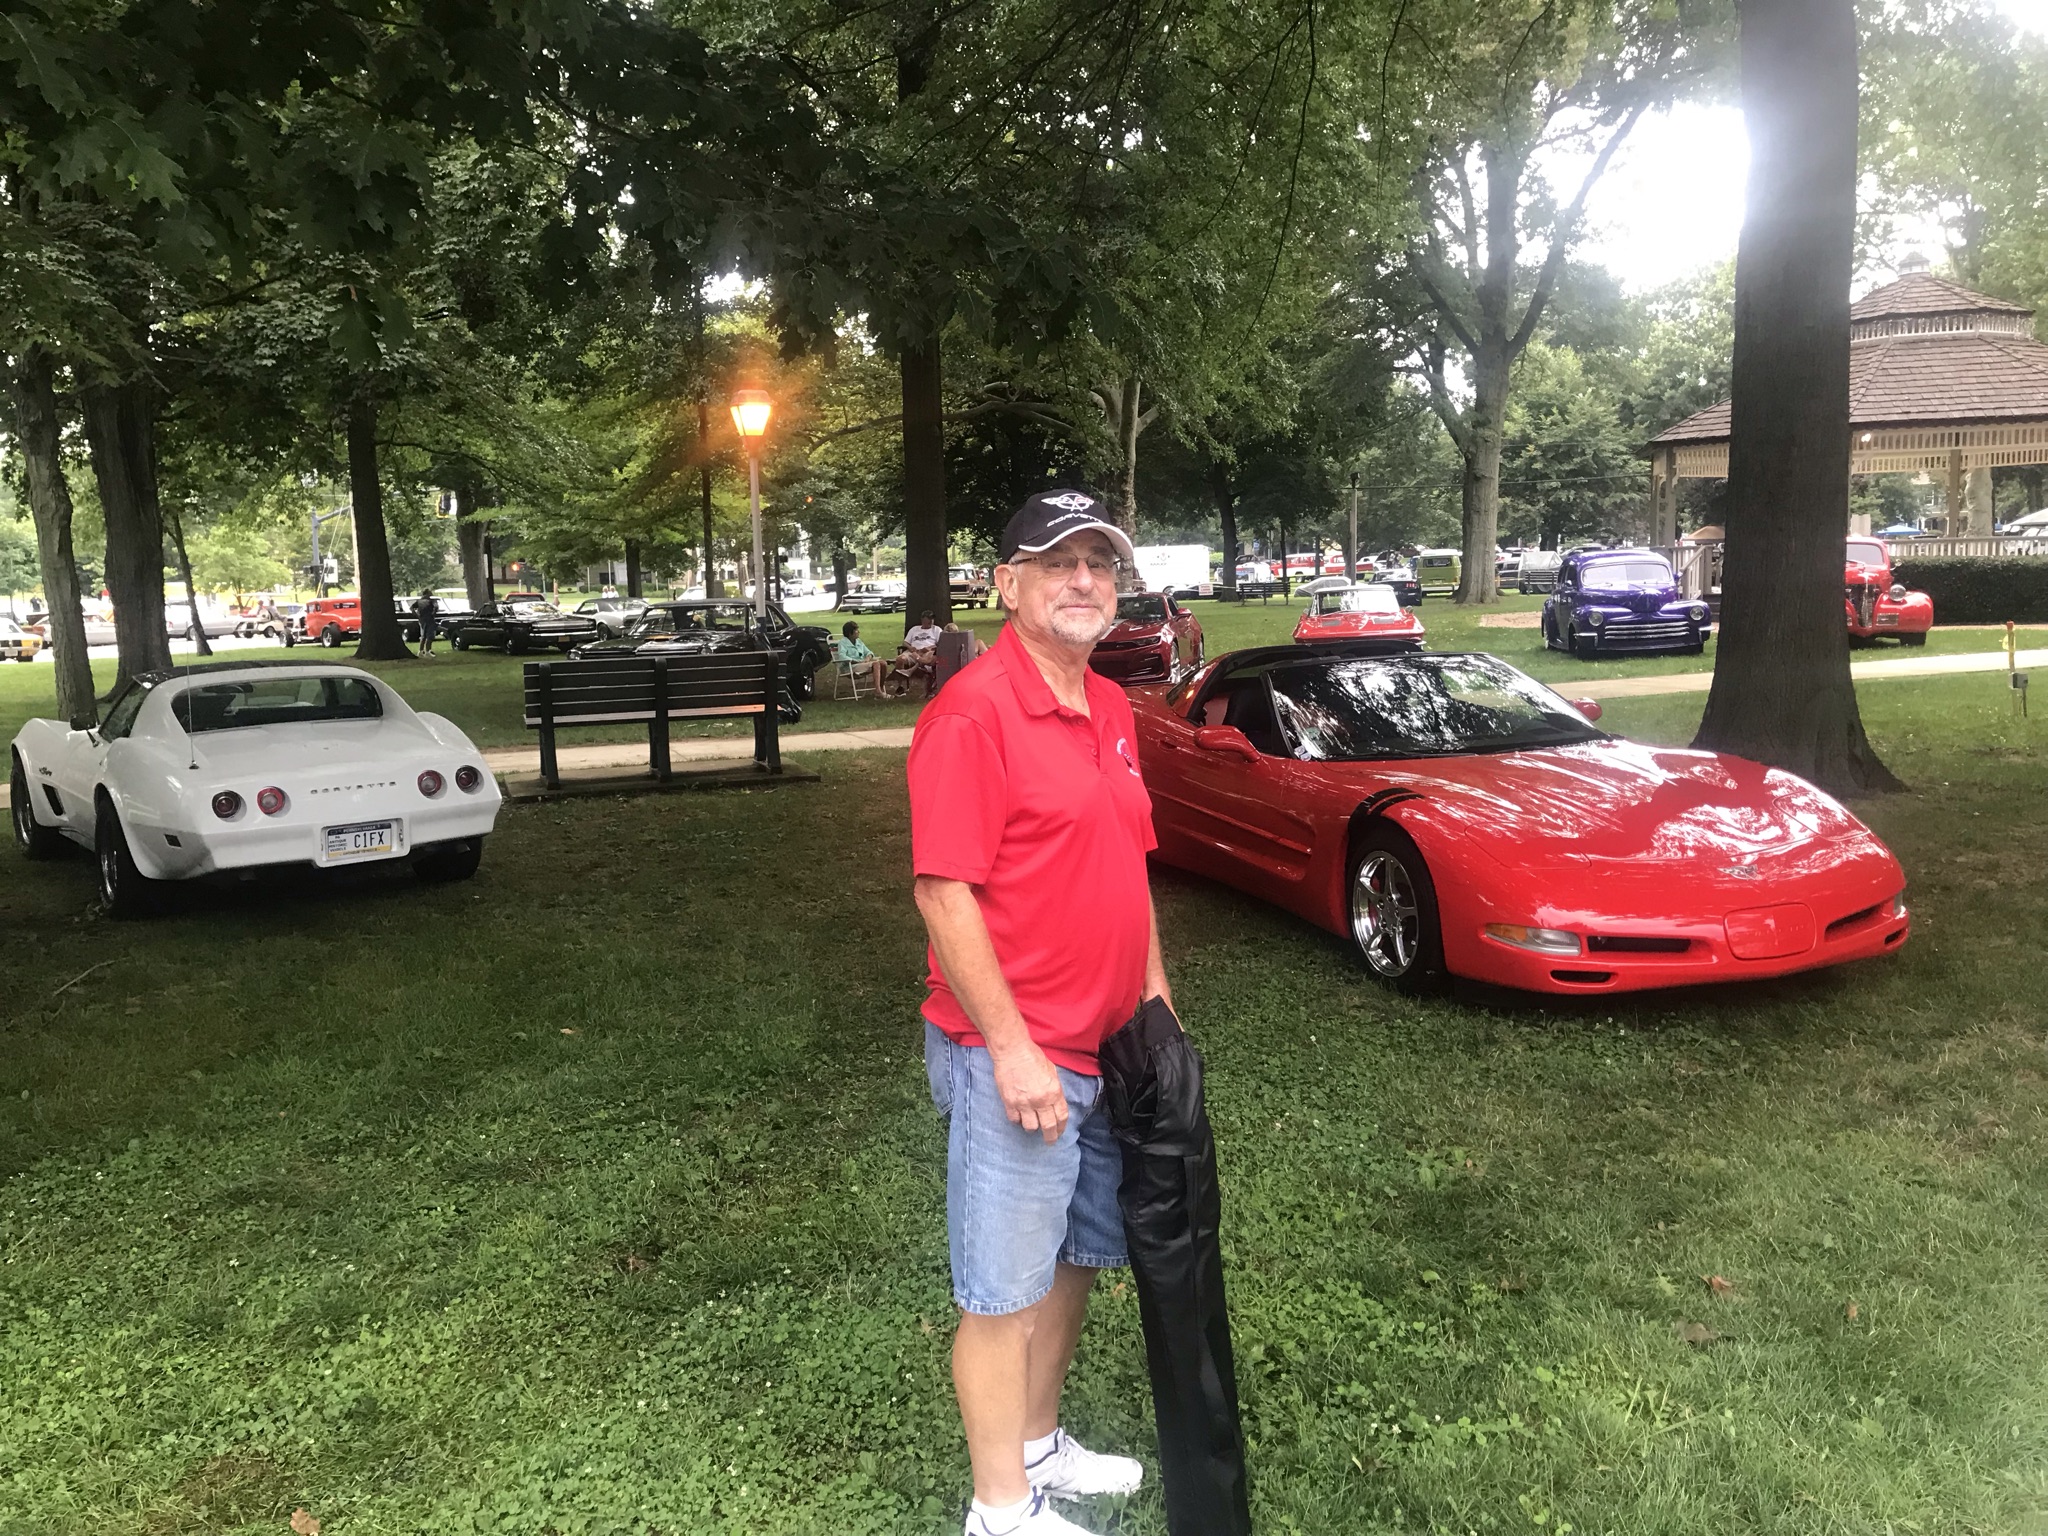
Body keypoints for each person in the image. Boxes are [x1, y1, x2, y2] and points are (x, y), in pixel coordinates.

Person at [908, 490, 1170, 1536]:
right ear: (1004, 584)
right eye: (1054, 562)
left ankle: (1036, 1444)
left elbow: (1129, 869)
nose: (1080, 580)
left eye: (1098, 564)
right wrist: (1012, 1051)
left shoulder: (1106, 706)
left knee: (1074, 1262)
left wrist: (1156, 1010)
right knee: (1001, 1294)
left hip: (1106, 1050)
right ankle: (997, 1512)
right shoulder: (972, 712)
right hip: (1013, 1055)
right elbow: (941, 892)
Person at [835, 621, 888, 695]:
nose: (858, 632)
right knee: (876, 664)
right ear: (850, 633)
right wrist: (856, 661)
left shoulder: (858, 641)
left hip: (862, 664)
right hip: (850, 667)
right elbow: (842, 656)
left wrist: (867, 658)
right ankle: (878, 691)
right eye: (856, 630)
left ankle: (881, 689)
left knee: (883, 663)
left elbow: (869, 652)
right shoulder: (843, 643)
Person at [411, 588, 440, 657]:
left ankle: (420, 651)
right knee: (430, 635)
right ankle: (428, 651)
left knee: (423, 635)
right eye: (430, 593)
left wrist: (416, 614)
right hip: (430, 619)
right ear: (427, 593)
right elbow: (436, 607)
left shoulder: (419, 601)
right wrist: (433, 613)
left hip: (422, 619)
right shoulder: (431, 601)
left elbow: (411, 608)